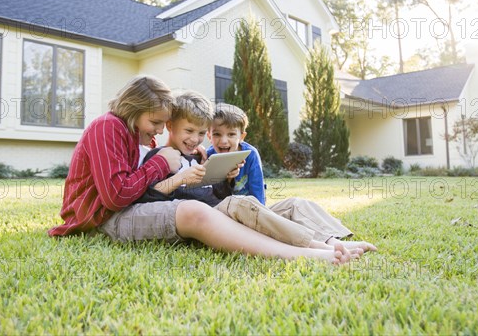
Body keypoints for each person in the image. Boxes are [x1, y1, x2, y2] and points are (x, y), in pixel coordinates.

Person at [48, 76, 350, 265]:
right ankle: (307, 252)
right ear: (134, 109)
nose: (156, 131)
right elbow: (119, 197)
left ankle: (330, 241)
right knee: (206, 210)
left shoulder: (141, 137)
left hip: (139, 206)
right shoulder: (109, 128)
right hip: (104, 217)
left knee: (255, 206)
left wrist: (220, 177)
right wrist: (165, 166)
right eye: (155, 123)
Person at [207, 103, 377, 254]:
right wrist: (226, 179)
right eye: (217, 134)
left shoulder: (250, 154)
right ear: (209, 135)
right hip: (228, 220)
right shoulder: (206, 157)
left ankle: (332, 240)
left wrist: (263, 216)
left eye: (231, 134)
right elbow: (209, 200)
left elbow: (258, 193)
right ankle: (321, 246)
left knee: (296, 204)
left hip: (256, 212)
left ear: (241, 136)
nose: (223, 140)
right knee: (249, 207)